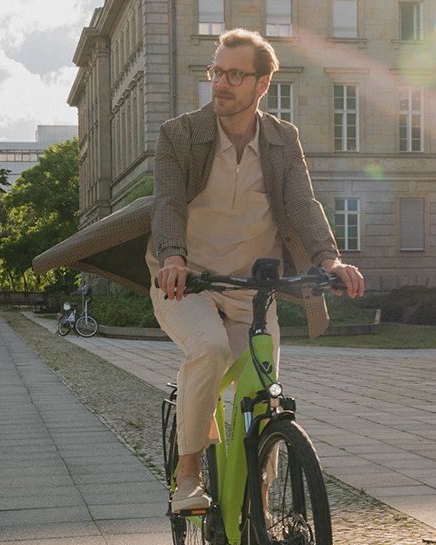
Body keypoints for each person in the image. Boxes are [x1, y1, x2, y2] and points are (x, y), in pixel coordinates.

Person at [148, 28, 365, 512]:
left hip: (253, 290)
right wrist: (173, 257)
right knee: (206, 347)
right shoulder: (179, 136)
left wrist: (329, 259)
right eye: (216, 72)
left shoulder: (282, 140)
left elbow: (302, 203)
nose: (220, 84)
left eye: (234, 75)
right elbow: (167, 203)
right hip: (189, 284)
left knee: (264, 398)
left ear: (263, 84)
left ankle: (259, 513)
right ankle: (188, 477)